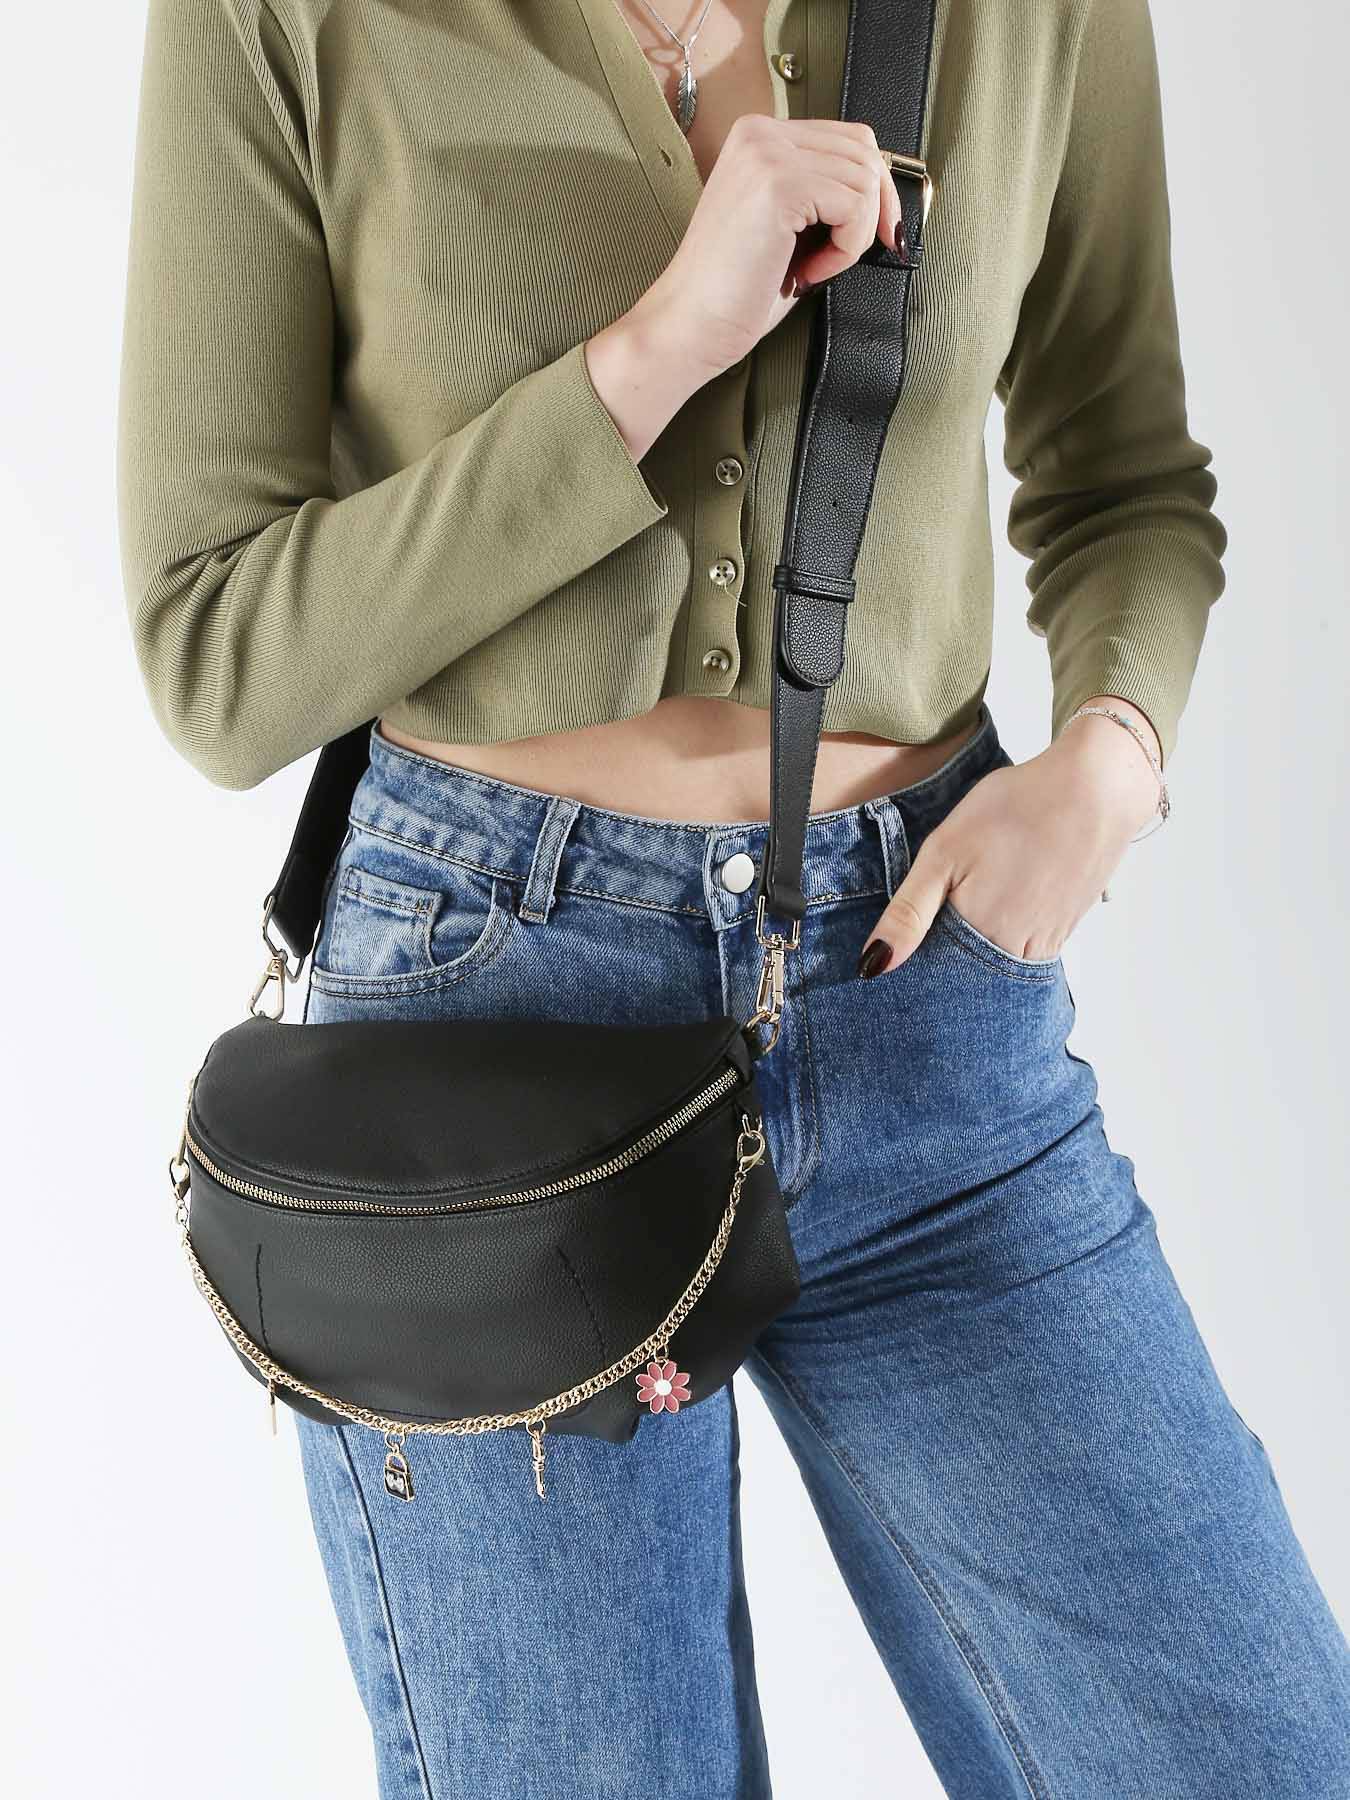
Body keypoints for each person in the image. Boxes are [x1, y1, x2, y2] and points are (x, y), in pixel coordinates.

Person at [116, 1, 1350, 1793]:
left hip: (922, 997)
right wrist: (651, 355)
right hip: (482, 1041)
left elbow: (1124, 478)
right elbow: (213, 655)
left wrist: (1110, 758)